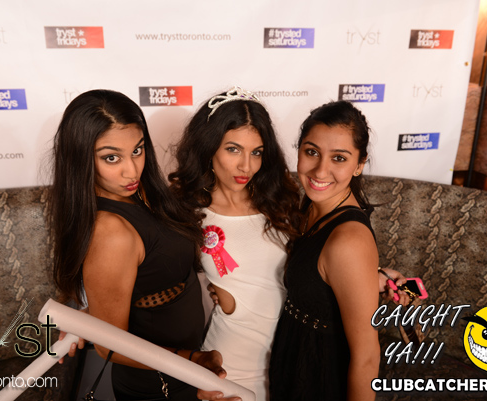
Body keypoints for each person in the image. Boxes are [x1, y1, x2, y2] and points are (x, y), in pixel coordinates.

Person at [169, 88, 407, 401]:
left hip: (299, 366)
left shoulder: (286, 202)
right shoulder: (190, 211)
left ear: (360, 163)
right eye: (233, 149)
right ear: (208, 147)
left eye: (257, 152)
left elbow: (365, 353)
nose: (246, 166)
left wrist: (374, 279)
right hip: (234, 362)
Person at [48, 89, 224, 401]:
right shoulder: (110, 231)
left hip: (183, 365)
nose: (132, 170)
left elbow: (141, 282)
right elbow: (110, 345)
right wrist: (193, 361)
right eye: (111, 157)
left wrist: (92, 314)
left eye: (138, 150)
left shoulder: (142, 193)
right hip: (160, 381)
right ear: (81, 158)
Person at [268, 100, 381, 401]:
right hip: (294, 362)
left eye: (339, 158)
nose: (320, 170)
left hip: (321, 377)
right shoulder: (310, 206)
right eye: (312, 152)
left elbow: (367, 357)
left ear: (359, 164)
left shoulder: (349, 240)